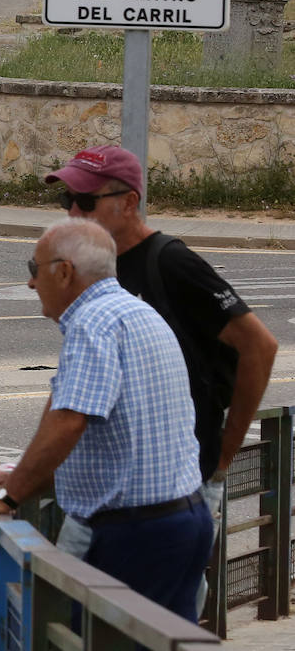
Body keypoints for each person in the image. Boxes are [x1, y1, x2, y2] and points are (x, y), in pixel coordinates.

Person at [41, 146, 278, 582]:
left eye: (87, 201)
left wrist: (223, 458)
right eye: (67, 202)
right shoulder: (95, 267)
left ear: (129, 202)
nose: (74, 212)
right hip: (111, 498)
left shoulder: (170, 262)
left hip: (176, 490)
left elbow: (259, 346)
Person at [0, 218, 212, 621]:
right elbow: (115, 445)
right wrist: (20, 475)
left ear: (63, 271)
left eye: (33, 270)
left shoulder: (94, 323)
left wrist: (7, 500)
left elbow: (68, 422)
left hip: (136, 535)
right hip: (183, 521)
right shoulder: (133, 310)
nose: (29, 284)